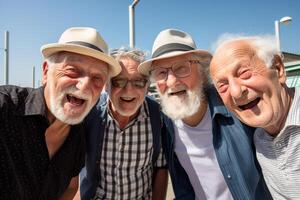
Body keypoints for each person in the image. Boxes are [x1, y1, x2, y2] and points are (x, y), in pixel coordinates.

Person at [138, 29, 272, 200]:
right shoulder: (165, 124)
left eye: (181, 68)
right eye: (161, 73)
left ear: (202, 71)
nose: (171, 81)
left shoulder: (238, 108)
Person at [0, 27, 121, 200]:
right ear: (45, 72)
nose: (85, 85)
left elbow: (72, 187)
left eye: (97, 78)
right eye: (73, 70)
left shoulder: (78, 135)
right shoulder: (5, 108)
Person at [210, 35, 299, 199]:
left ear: (278, 69)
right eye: (223, 85)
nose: (236, 92)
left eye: (244, 73)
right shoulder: (259, 138)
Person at [80, 47, 168, 200]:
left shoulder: (157, 115)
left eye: (138, 82)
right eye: (119, 81)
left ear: (147, 86)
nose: (128, 90)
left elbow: (161, 167)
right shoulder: (89, 113)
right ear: (106, 85)